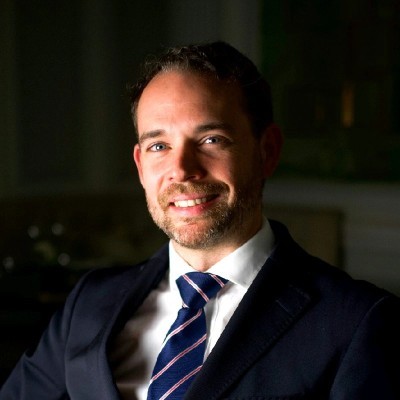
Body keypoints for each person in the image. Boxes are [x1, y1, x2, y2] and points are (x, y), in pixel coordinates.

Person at [1, 41, 400, 400]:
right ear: (140, 166)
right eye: (159, 145)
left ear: (267, 151)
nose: (181, 169)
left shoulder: (358, 322)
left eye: (211, 140)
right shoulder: (89, 301)